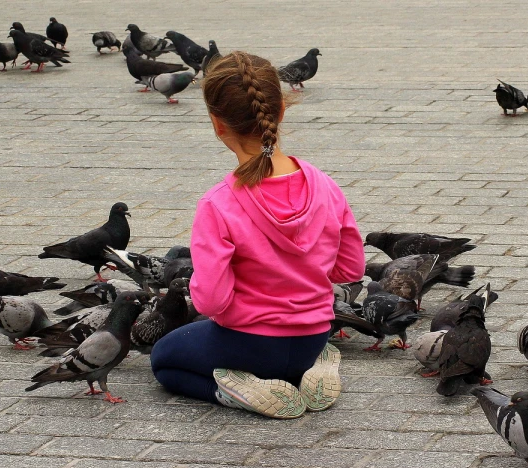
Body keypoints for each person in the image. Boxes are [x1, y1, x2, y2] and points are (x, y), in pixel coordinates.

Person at [150, 51, 366, 419]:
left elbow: (212, 302)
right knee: (289, 354)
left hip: (248, 345)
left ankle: (235, 393)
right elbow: (350, 269)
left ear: (217, 124)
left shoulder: (218, 204)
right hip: (313, 339)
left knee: (164, 358)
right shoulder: (326, 186)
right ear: (281, 109)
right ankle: (310, 372)